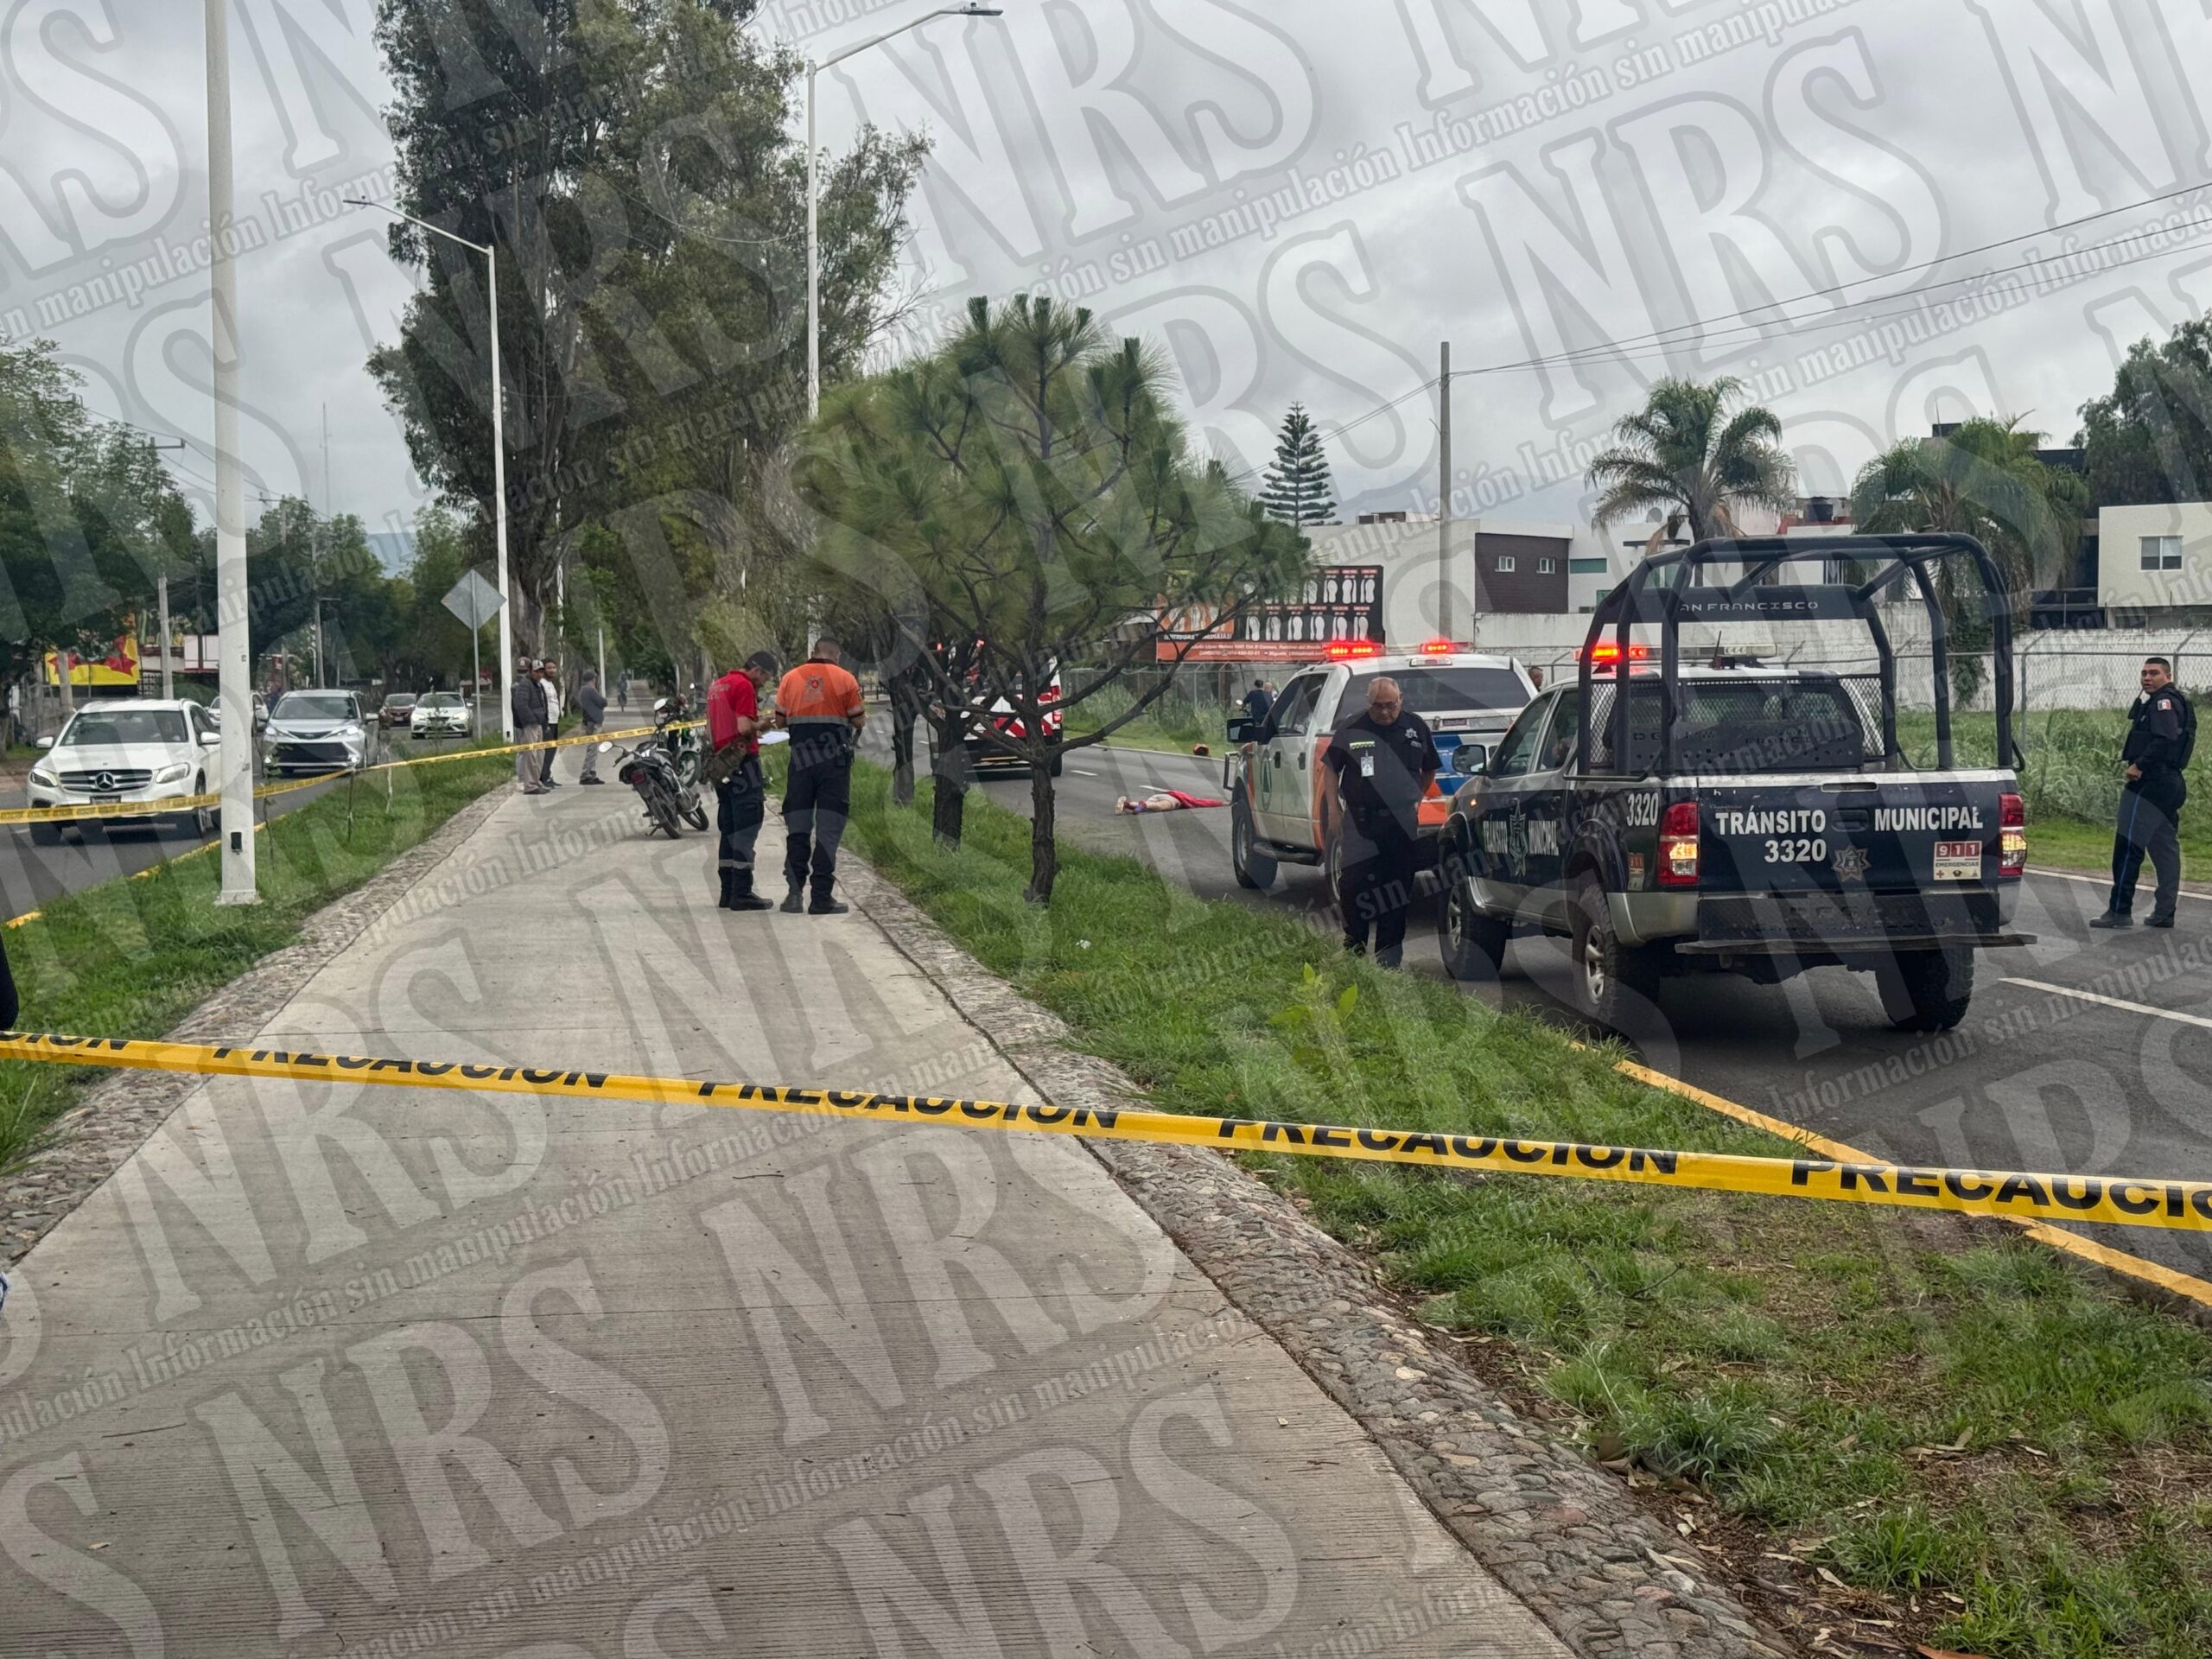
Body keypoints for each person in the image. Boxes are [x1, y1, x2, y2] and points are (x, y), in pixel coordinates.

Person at [1322, 675, 1440, 968]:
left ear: (1400, 701)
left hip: (1400, 821)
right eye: (1378, 706)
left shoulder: (1415, 728)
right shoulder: (1352, 727)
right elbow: (1330, 769)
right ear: (1368, 703)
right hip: (1361, 820)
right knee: (1353, 885)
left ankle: (1389, 957)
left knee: (1397, 888)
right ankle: (1355, 947)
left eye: (1391, 706)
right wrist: (1334, 811)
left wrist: (1416, 797)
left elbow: (1429, 770)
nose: (1385, 712)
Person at [2094, 655, 2195, 931]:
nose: (2147, 678)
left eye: (2154, 673)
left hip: (2151, 782)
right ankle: (2164, 912)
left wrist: (2139, 765)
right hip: (2169, 783)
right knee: (2164, 847)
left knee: (2128, 846)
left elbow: (2164, 739)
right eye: (2144, 673)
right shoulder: (2170, 701)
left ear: (2168, 676)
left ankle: (2119, 910)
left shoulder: (2163, 703)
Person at [775, 638, 867, 914]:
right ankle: (821, 898)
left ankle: (793, 895)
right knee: (828, 830)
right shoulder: (845, 678)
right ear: (836, 655)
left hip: (801, 763)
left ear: (813, 652)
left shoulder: (790, 678)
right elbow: (859, 720)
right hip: (833, 764)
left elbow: (780, 720)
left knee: (799, 828)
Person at [708, 652, 780, 910]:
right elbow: (743, 728)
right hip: (743, 764)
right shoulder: (744, 686)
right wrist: (762, 724)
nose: (763, 683)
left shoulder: (718, 685)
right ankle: (742, 892)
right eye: (766, 677)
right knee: (747, 825)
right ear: (758, 670)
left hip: (722, 764)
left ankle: (727, 891)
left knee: (728, 827)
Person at [511, 656, 546, 796]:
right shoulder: (525, 685)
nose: (539, 674)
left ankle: (536, 782)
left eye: (541, 671)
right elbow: (521, 705)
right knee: (530, 755)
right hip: (530, 725)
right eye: (536, 671)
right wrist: (531, 720)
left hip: (538, 724)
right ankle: (530, 785)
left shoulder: (538, 685)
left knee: (539, 755)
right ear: (530, 671)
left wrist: (543, 720)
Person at [575, 670, 607, 785]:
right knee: (592, 750)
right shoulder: (590, 690)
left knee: (593, 750)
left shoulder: (583, 690)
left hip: (589, 721)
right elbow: (603, 702)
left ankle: (592, 772)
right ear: (593, 679)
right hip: (593, 723)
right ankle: (586, 774)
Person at [538, 661, 563, 788]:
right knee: (548, 751)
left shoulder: (551, 684)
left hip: (555, 721)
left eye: (554, 667)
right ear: (544, 669)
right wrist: (544, 723)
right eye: (549, 668)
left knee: (553, 750)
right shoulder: (541, 684)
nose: (552, 670)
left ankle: (547, 775)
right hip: (547, 722)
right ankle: (543, 777)